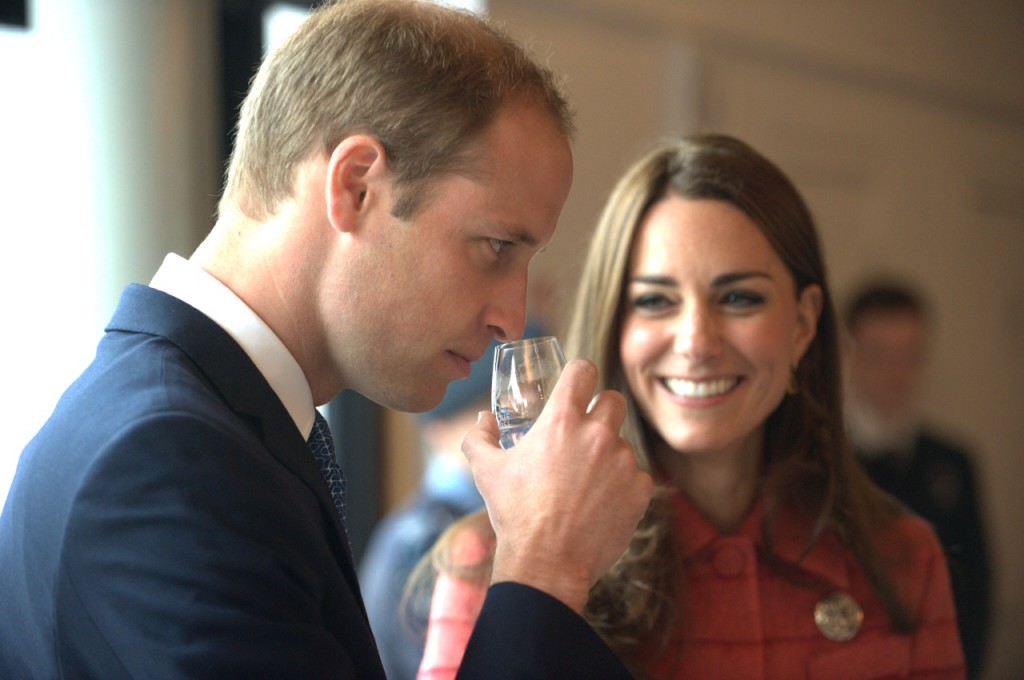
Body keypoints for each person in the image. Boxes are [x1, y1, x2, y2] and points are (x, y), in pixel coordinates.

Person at [0, 1, 653, 678]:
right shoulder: (166, 461)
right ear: (357, 184)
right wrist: (544, 563)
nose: (512, 320)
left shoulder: (204, 428)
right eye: (494, 247)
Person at [416, 134, 966, 679]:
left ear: (802, 324)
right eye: (655, 301)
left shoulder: (903, 557)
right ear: (614, 324)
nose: (697, 343)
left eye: (738, 298)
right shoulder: (495, 565)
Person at [359, 319, 547, 680]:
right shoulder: (426, 539)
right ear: (438, 428)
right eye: (496, 406)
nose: (523, 426)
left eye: (534, 400)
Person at [844, 280, 991, 679]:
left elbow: (974, 587)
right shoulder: (822, 462)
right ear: (850, 353)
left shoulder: (952, 462)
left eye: (909, 355)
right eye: (880, 355)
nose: (897, 372)